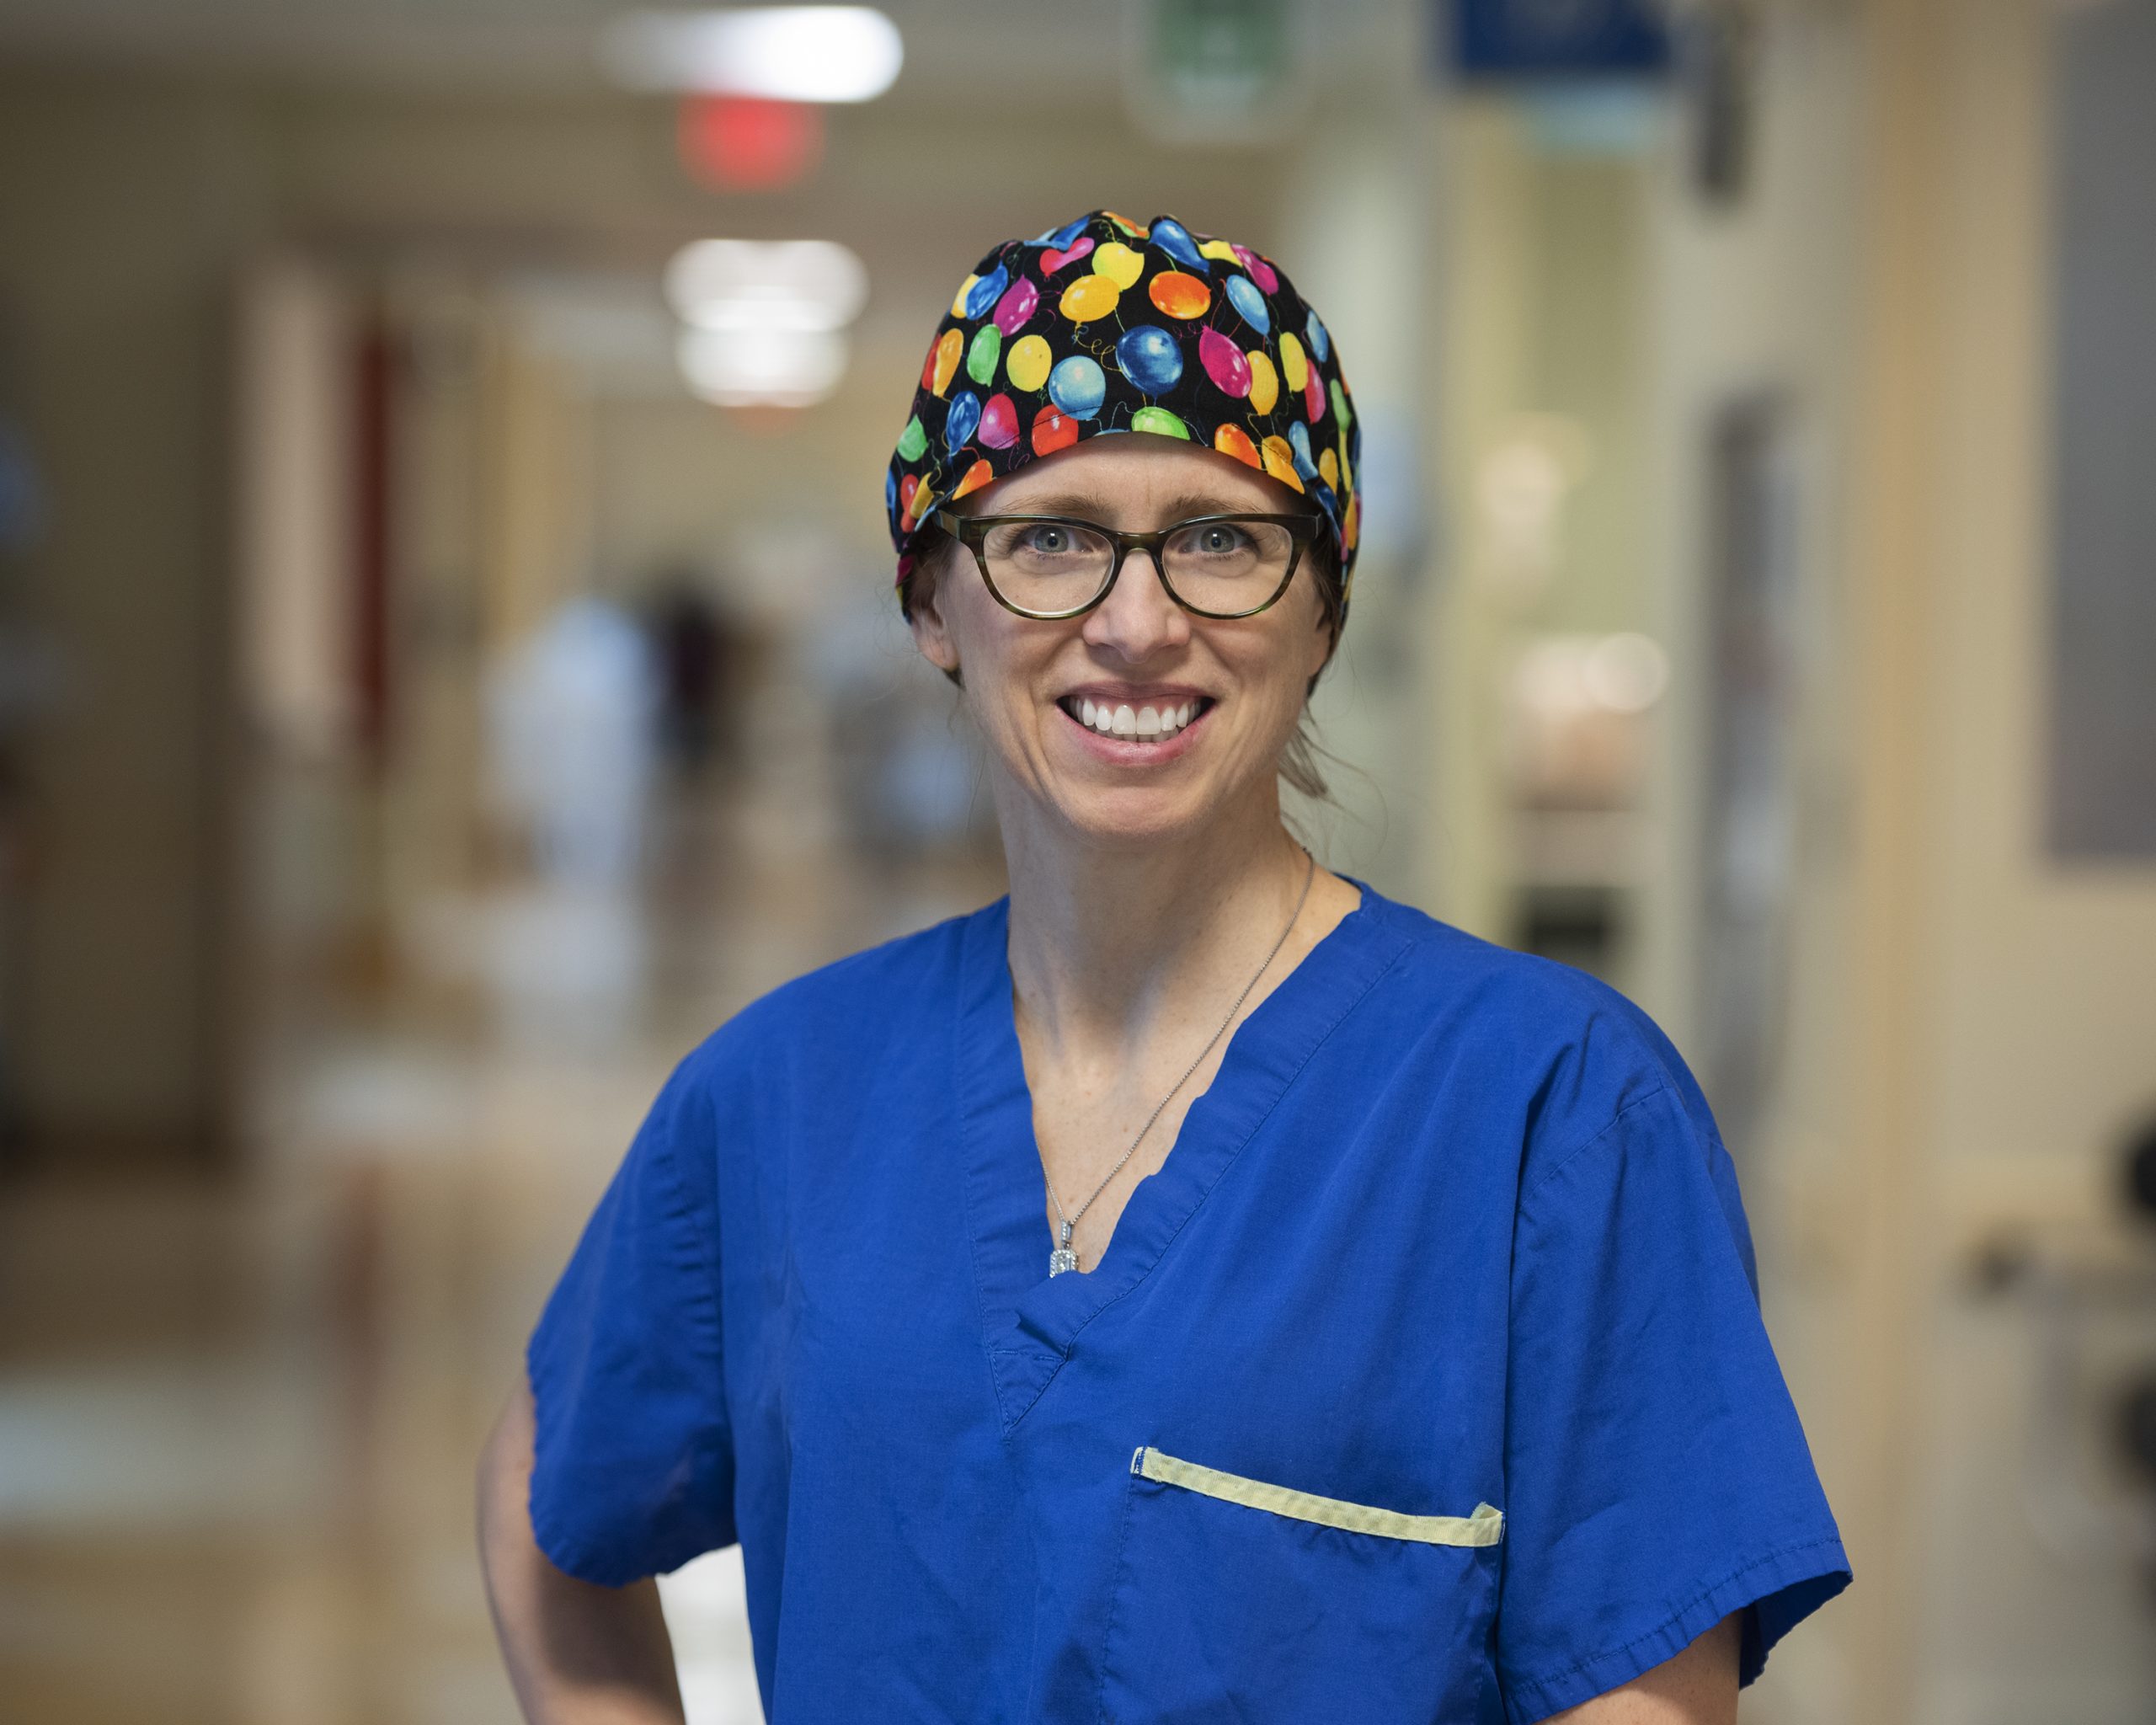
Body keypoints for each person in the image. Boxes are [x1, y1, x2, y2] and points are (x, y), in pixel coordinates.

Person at [477, 210, 1850, 1724]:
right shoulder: (784, 1091)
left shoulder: (1554, 1109)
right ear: (933, 602)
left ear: (1322, 601)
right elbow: (553, 1497)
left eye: (1220, 538)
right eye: (1051, 536)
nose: (1138, 623)